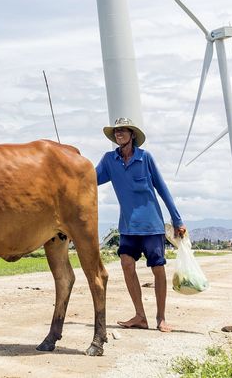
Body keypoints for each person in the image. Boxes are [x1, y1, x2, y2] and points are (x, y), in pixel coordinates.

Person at [95, 116, 187, 332]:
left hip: (151, 226)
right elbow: (91, 178)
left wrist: (177, 220)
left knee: (158, 269)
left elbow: (163, 189)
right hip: (127, 226)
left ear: (132, 135)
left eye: (123, 131)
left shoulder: (145, 158)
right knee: (126, 264)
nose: (118, 134)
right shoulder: (109, 160)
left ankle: (161, 318)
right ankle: (140, 315)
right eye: (116, 131)